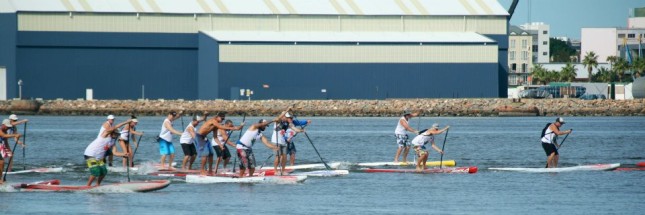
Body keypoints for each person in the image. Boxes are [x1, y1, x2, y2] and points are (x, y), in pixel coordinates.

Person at [84, 119, 131, 186]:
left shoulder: (112, 142)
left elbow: (115, 153)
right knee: (96, 171)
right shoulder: (104, 135)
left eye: (118, 134)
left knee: (104, 171)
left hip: (99, 157)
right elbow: (115, 127)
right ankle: (88, 186)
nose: (117, 136)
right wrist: (126, 122)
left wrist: (124, 154)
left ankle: (97, 184)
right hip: (90, 154)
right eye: (116, 134)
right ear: (112, 133)